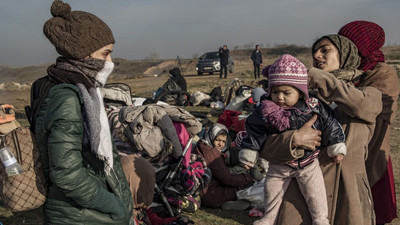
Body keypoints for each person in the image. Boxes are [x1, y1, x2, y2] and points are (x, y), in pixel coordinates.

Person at [256, 35, 382, 225]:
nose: (316, 55)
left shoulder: (368, 93)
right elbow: (264, 145)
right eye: (314, 51)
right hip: (302, 191)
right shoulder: (296, 100)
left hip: (349, 193)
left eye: (325, 49)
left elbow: (363, 108)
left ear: (345, 53)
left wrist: (322, 79)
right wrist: (293, 139)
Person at [30, 1, 134, 224]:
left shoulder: (85, 92)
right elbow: (66, 173)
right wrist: (112, 204)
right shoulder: (66, 97)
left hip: (86, 211)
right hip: (79, 214)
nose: (110, 62)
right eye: (105, 54)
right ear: (82, 53)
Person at [242, 54, 347, 225]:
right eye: (275, 92)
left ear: (300, 92)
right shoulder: (265, 110)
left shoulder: (313, 106)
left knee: (316, 193)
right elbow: (254, 130)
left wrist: (336, 145)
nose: (280, 97)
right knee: (272, 192)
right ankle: (268, 218)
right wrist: (249, 152)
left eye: (286, 92)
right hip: (278, 165)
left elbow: (329, 122)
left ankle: (320, 219)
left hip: (308, 163)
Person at [338, 20, 399, 224]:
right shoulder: (348, 71)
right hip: (349, 147)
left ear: (360, 45)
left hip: (372, 147)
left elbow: (368, 109)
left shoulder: (382, 73)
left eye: (347, 43)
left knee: (372, 208)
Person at [194, 123, 256, 209]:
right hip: (213, 195)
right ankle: (246, 203)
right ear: (212, 137)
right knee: (250, 186)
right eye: (218, 140)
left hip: (205, 192)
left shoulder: (201, 145)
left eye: (223, 141)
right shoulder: (212, 153)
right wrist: (249, 177)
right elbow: (228, 179)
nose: (220, 144)